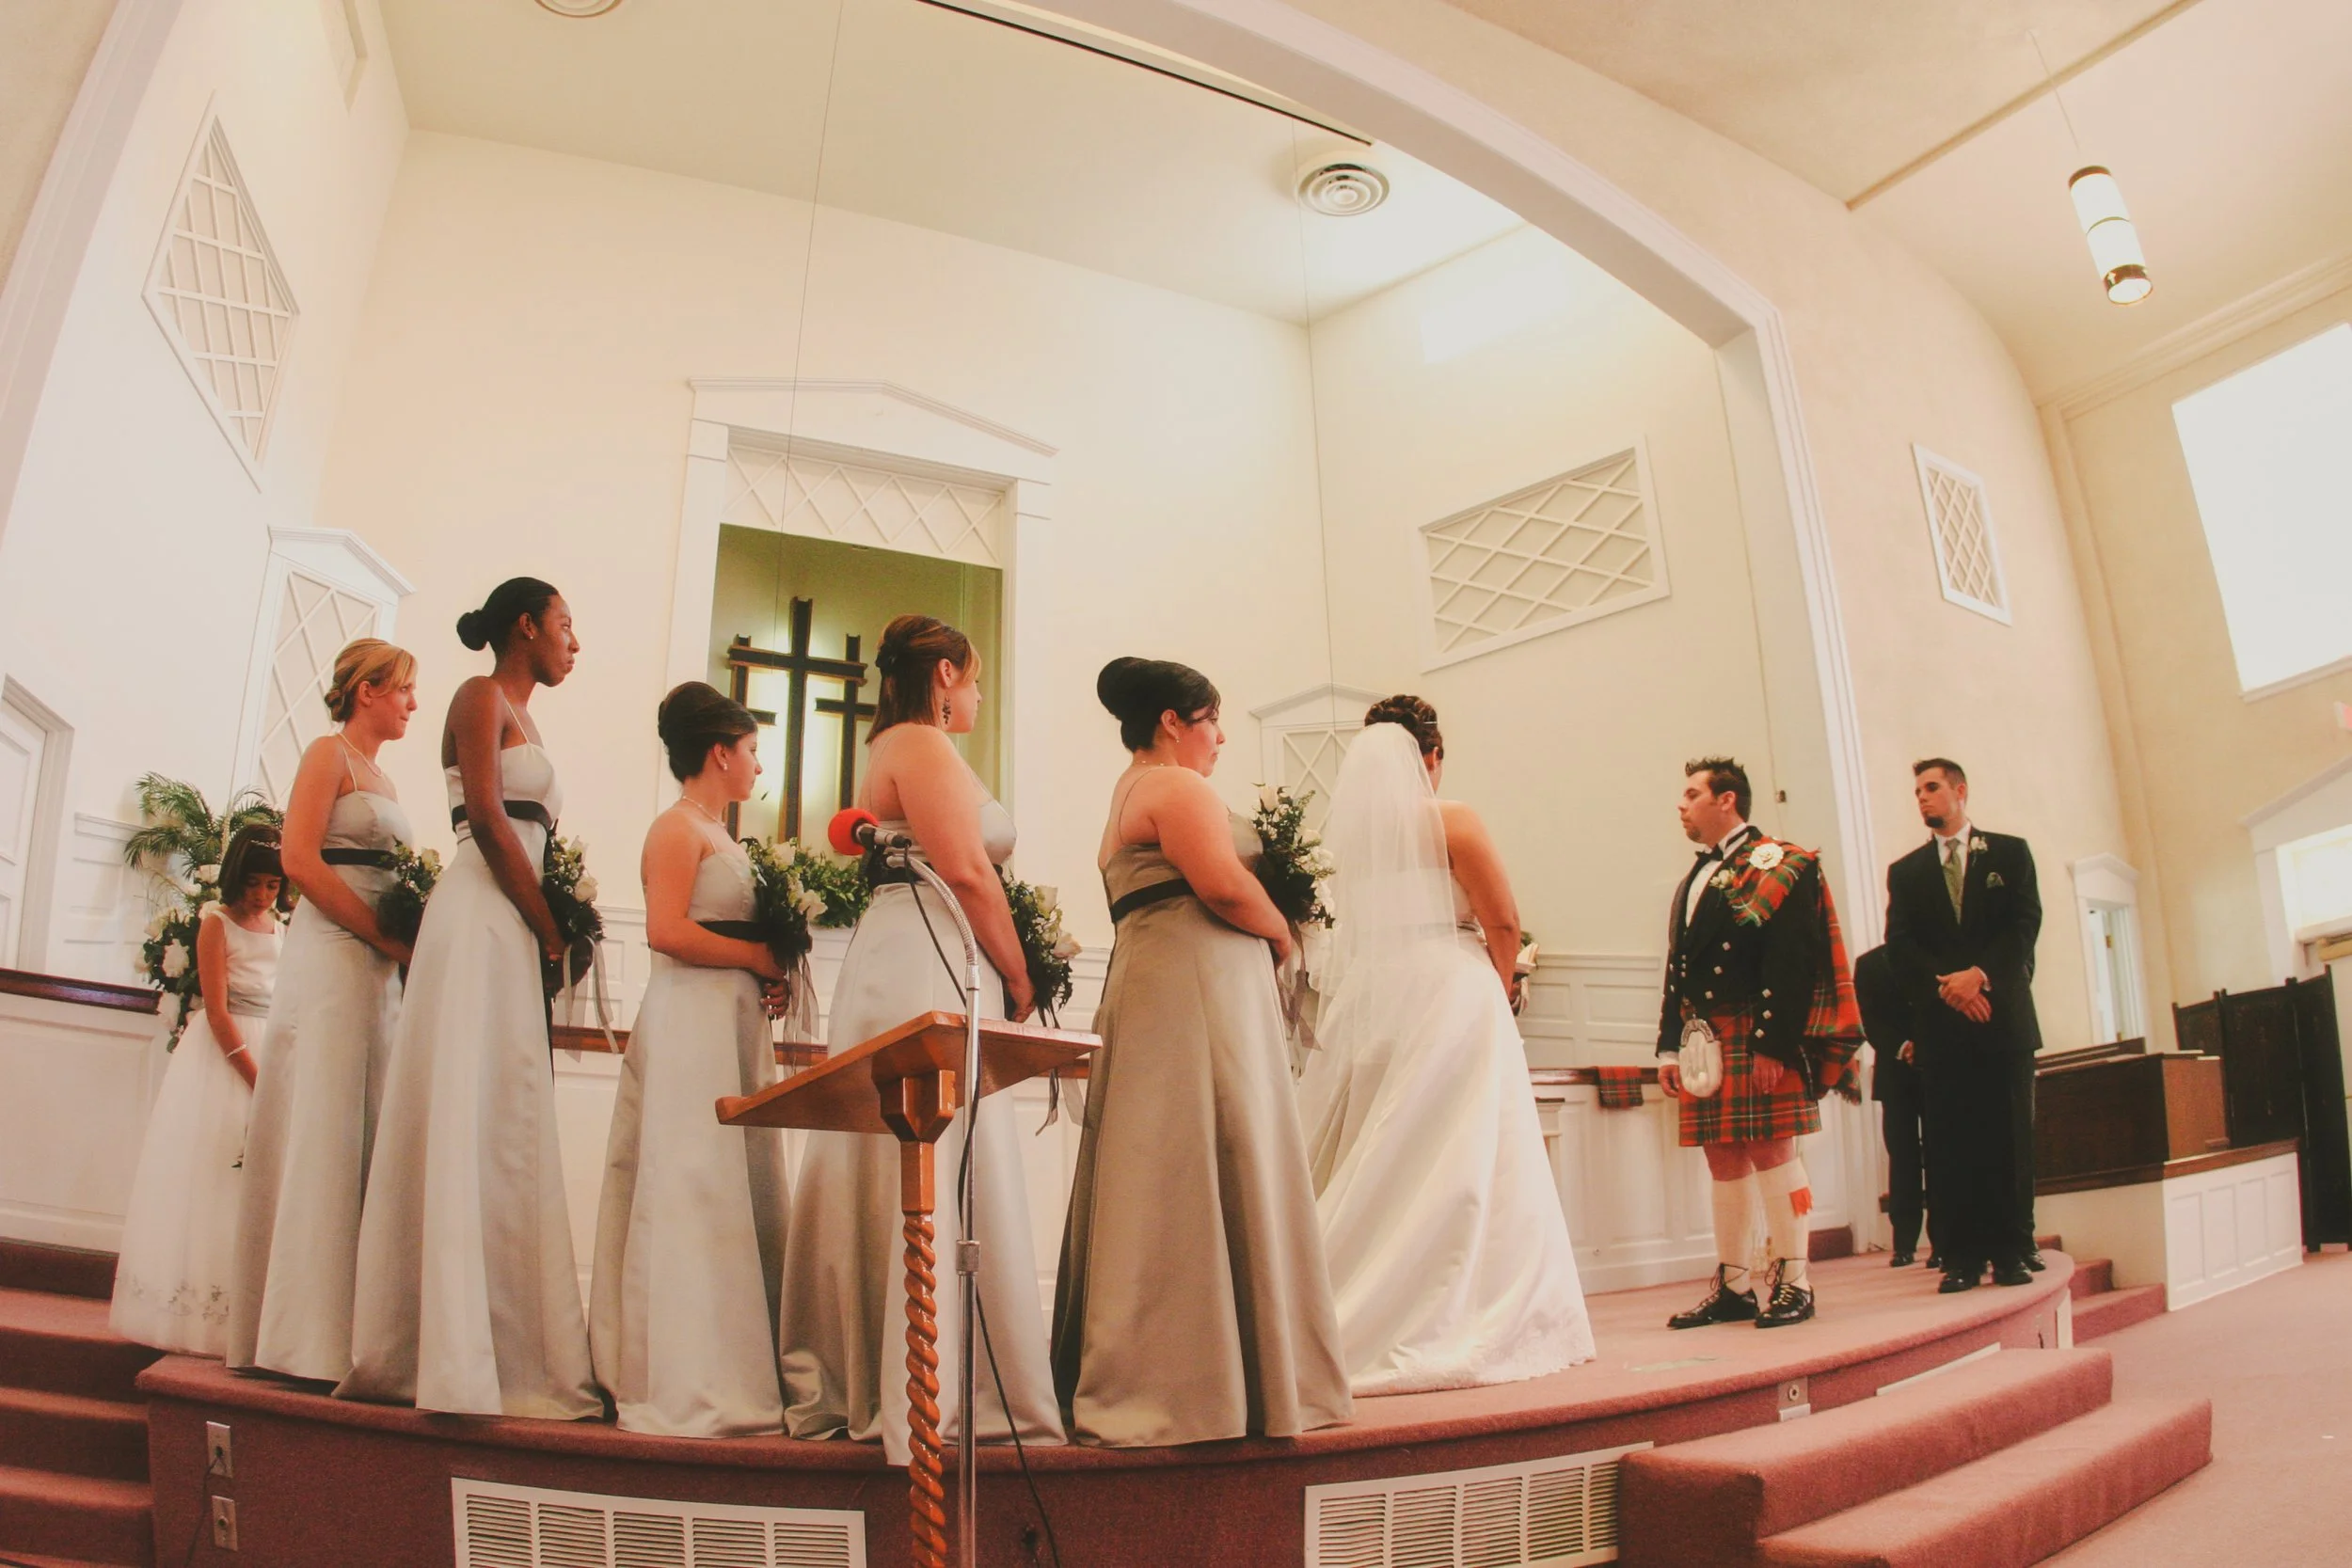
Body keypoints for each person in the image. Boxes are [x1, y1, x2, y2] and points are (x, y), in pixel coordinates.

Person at [777, 616, 1065, 1465]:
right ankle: (930, 1383)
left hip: (911, 942)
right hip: (929, 948)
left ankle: (907, 1366)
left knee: (922, 1147)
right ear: (943, 675)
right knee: (931, 1144)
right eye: (973, 679)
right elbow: (968, 869)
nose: (977, 695)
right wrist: (1019, 973)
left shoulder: (895, 744)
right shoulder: (920, 742)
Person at [1053, 657, 1350, 1446]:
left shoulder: (1130, 789)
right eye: (1212, 718)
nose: (1220, 735)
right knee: (1205, 1155)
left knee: (1164, 1164)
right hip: (1194, 989)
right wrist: (1282, 932)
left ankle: (1187, 1367)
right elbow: (1219, 883)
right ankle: (1200, 1380)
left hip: (1164, 981)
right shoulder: (1173, 786)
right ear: (1171, 722)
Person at [339, 578, 601, 1418]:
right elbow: (487, 816)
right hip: (482, 910)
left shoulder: (531, 718)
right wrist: (548, 926)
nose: (574, 642)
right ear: (525, 626)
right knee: (461, 1104)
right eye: (564, 625)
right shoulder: (478, 694)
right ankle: (437, 1342)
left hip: (511, 914)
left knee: (503, 1114)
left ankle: (504, 1338)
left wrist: (551, 919)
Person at [1297, 698, 1593, 1392]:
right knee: (1469, 1146)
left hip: (1374, 995)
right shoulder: (1451, 818)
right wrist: (1501, 988)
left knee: (1379, 1144)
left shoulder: (1351, 839)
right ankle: (1465, 1303)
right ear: (1429, 755)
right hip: (1451, 987)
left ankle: (1325, 1299)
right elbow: (1505, 919)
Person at [589, 683, 795, 1436]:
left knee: (735, 1182)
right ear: (719, 752)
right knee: (691, 1180)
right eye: (751, 750)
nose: (757, 765)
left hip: (731, 1020)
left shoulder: (723, 834)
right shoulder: (676, 828)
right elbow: (666, 930)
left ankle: (740, 1355)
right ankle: (684, 1368)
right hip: (689, 1024)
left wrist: (769, 975)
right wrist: (757, 956)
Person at [229, 640, 419, 1383]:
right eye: (402, 689)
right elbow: (301, 861)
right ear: (366, 690)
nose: (411, 703)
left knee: (364, 1120)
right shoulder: (326, 754)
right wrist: (380, 933)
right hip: (335, 953)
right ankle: (299, 1335)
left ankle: (349, 1327)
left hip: (376, 967)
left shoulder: (386, 778)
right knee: (324, 1120)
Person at [1656, 757, 1862, 1330]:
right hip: (1705, 1038)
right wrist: (1670, 1047)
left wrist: (1773, 1045)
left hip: (1756, 1031)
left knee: (1773, 1151)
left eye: (1692, 794)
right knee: (1722, 1158)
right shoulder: (1696, 876)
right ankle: (1735, 1286)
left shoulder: (1781, 863)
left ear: (1726, 801)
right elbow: (1677, 969)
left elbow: (1792, 961)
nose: (1681, 805)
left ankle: (1795, 1281)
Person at [113, 826, 284, 1355]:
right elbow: (216, 1011)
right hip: (226, 1053)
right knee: (214, 1174)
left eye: (272, 885)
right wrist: (255, 1074)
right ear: (235, 877)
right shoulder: (217, 923)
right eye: (253, 883)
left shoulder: (281, 927)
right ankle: (203, 1315)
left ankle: (253, 1313)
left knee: (260, 1182)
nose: (262, 895)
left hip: (274, 1044)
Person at [1883, 758, 2043, 1294]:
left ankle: (2012, 1251)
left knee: (2009, 1140)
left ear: (1960, 791)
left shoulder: (2009, 853)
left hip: (2002, 1020)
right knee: (1950, 1145)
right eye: (1917, 791)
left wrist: (1979, 977)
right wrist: (1949, 989)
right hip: (1944, 1026)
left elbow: (2024, 926)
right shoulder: (1907, 872)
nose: (1922, 797)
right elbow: (1901, 946)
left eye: (1931, 788)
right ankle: (1960, 1257)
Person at [1853, 943, 1939, 1268]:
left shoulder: (1935, 953)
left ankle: (1943, 1241)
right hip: (1894, 1072)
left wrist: (1927, 1045)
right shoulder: (1869, 964)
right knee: (1902, 1157)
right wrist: (1903, 1047)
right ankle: (1904, 1243)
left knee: (1940, 1155)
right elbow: (1867, 1019)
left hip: (1938, 1068)